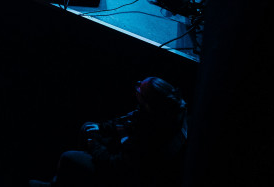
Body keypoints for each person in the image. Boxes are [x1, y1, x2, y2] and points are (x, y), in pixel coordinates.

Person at [30, 76, 188, 187]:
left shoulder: (151, 135)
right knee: (89, 127)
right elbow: (126, 120)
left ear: (148, 104)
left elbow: (118, 166)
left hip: (125, 175)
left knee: (68, 158)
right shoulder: (157, 112)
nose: (138, 85)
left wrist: (95, 147)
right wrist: (102, 127)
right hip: (125, 153)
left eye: (141, 88)